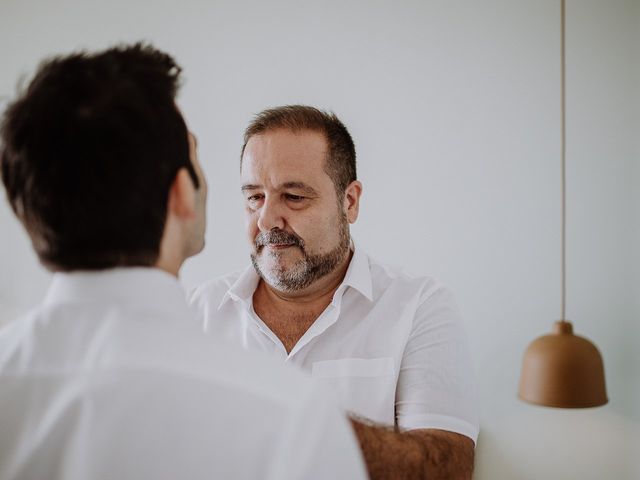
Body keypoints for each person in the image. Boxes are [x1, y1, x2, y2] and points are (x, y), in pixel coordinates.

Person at [0, 47, 366, 480]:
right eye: (195, 158)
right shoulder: (293, 418)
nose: (266, 216)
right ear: (180, 194)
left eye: (294, 196)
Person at [189, 105, 480, 479]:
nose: (265, 220)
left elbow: (449, 468)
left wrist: (287, 421)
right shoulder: (196, 312)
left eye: (293, 197)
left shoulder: (419, 307)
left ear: (350, 202)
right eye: (254, 197)